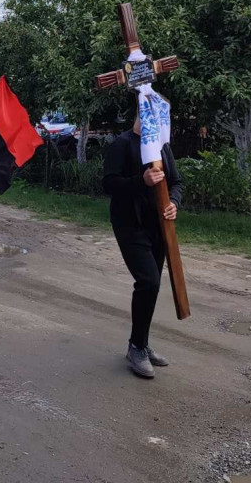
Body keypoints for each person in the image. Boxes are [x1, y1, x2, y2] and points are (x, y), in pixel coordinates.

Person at [102, 108, 183, 379]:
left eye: (160, 117)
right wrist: (142, 181)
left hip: (158, 226)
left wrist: (174, 203)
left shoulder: (162, 146)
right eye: (150, 115)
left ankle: (142, 344)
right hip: (130, 225)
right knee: (148, 281)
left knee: (152, 286)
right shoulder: (122, 144)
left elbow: (177, 182)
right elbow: (109, 184)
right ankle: (136, 348)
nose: (156, 121)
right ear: (139, 114)